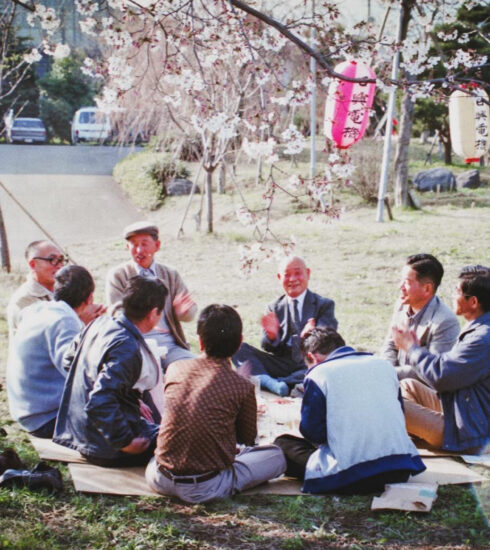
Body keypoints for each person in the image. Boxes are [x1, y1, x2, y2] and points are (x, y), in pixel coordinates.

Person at [146, 304, 286, 503]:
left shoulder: (175, 368)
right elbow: (247, 438)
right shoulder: (241, 384)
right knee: (276, 456)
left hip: (159, 477)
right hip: (206, 486)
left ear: (201, 342)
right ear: (239, 344)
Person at [274, 327, 425, 494]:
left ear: (311, 357)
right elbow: (399, 413)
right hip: (400, 468)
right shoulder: (384, 365)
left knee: (282, 444)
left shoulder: (319, 374)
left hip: (353, 475)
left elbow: (313, 433)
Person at [54, 276, 168, 466]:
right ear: (153, 313)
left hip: (79, 435)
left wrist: (122, 393)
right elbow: (100, 400)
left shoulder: (98, 323)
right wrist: (124, 441)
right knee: (181, 438)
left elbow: (69, 360)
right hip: (106, 447)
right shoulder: (127, 347)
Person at [392, 265, 490, 453]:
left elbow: (443, 376)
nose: (453, 296)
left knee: (387, 402)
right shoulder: (480, 328)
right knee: (408, 386)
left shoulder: (483, 338)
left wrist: (411, 349)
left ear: (474, 302)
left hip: (472, 433)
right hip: (466, 412)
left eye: (457, 291)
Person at [6, 265, 103, 438]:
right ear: (89, 298)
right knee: (125, 426)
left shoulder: (41, 310)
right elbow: (77, 375)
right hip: (45, 418)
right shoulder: (64, 321)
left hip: (27, 410)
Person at [232, 255, 337, 396]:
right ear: (279, 277)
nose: (293, 279)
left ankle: (276, 382)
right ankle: (273, 383)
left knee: (325, 367)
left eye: (298, 273)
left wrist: (313, 333)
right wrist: (271, 335)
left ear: (308, 273)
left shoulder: (323, 304)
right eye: (287, 275)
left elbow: (329, 341)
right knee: (238, 348)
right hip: (281, 363)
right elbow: (266, 347)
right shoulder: (274, 307)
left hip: (308, 363)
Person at [106, 221, 196, 369]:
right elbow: (116, 314)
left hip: (170, 346)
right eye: (134, 244)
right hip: (135, 346)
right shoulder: (118, 275)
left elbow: (190, 313)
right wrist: (145, 322)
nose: (139, 250)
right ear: (127, 247)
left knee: (194, 369)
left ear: (157, 245)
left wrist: (183, 312)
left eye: (144, 243)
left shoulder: (170, 274)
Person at [380, 253, 460, 381]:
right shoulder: (401, 306)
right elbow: (390, 346)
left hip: (422, 390)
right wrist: (384, 370)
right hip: (394, 380)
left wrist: (388, 374)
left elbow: (433, 370)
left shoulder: (445, 322)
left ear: (427, 288)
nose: (400, 287)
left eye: (406, 282)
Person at [6, 240, 66, 335]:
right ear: (33, 264)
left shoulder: (66, 290)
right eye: (52, 260)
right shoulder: (23, 300)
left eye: (61, 260)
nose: (59, 265)